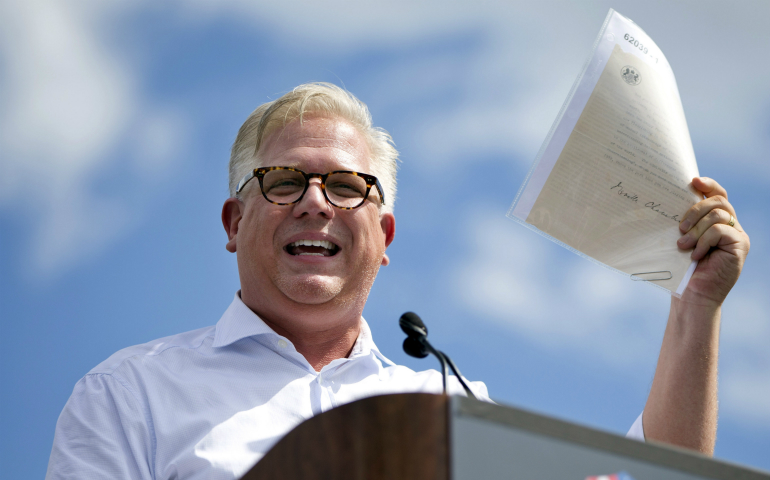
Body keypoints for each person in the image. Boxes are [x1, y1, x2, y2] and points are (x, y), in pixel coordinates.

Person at [46, 83, 750, 479]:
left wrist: (696, 306)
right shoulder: (128, 395)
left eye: (349, 185)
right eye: (286, 180)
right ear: (234, 222)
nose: (316, 201)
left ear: (382, 239)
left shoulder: (453, 407)